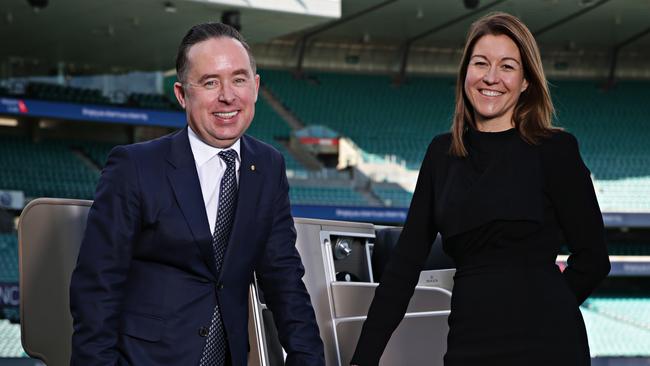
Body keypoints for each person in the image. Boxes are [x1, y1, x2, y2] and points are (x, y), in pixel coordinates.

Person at [351, 12, 610, 366]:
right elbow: (403, 268)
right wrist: (362, 359)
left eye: (507, 66)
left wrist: (545, 309)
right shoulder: (440, 155)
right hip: (469, 345)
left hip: (549, 347)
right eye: (481, 63)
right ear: (465, 74)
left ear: (525, 82)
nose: (491, 77)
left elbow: (594, 260)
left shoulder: (556, 150)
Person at [70, 23, 325, 366]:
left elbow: (284, 278)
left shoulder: (268, 166)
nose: (228, 96)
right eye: (209, 82)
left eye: (239, 79)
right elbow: (96, 287)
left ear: (256, 85)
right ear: (181, 94)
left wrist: (308, 359)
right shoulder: (134, 167)